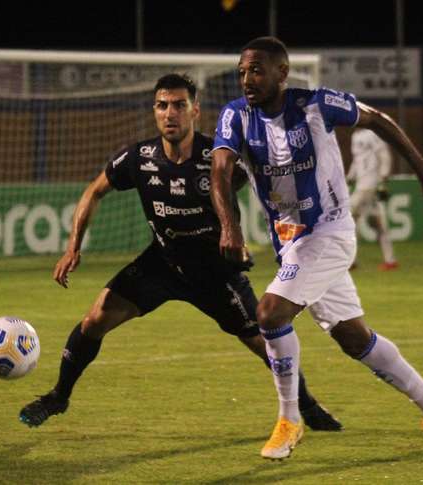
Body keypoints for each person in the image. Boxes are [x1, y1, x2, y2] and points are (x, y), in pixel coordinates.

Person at [19, 73, 341, 432]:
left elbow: (268, 183)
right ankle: (58, 397)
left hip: (215, 273)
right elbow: (94, 191)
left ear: (195, 111)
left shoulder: (219, 155)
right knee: (94, 320)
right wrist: (72, 247)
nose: (169, 113)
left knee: (267, 343)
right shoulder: (139, 158)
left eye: (178, 105)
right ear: (155, 112)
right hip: (163, 263)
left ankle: (308, 406)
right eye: (162, 106)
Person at [210, 37, 423, 460]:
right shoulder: (236, 115)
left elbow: (380, 119)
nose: (246, 79)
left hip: (330, 231)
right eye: (241, 71)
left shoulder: (315, 104)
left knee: (270, 312)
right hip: (291, 242)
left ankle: (290, 420)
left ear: (281, 73)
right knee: (353, 337)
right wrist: (228, 225)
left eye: (256, 70)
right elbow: (221, 170)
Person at [347, 128, 397, 271]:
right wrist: (351, 177)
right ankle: (390, 260)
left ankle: (350, 261)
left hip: (368, 185)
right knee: (378, 222)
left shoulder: (373, 133)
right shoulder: (355, 136)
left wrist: (383, 178)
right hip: (363, 184)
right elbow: (357, 161)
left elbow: (384, 155)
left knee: (348, 220)